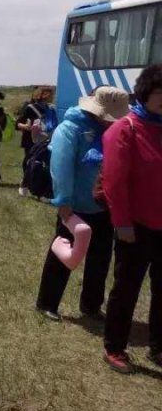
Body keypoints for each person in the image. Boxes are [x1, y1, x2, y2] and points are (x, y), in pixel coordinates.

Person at [34, 86, 130, 323]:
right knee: (62, 253)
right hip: (75, 205)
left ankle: (91, 305)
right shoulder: (70, 129)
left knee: (100, 257)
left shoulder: (110, 130)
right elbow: (61, 167)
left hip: (103, 205)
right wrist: (64, 201)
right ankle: (47, 302)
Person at [102, 65, 162, 373]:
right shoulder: (125, 128)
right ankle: (115, 347)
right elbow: (114, 181)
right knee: (127, 289)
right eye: (160, 92)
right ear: (145, 93)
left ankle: (158, 346)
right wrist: (122, 222)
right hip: (135, 227)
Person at [17, 86, 56, 196]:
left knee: (44, 163)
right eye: (48, 93)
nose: (51, 96)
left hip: (47, 139)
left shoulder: (51, 108)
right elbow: (18, 123)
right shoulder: (30, 107)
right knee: (29, 162)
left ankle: (40, 186)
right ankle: (24, 184)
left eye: (51, 94)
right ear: (40, 94)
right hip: (31, 139)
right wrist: (27, 127)